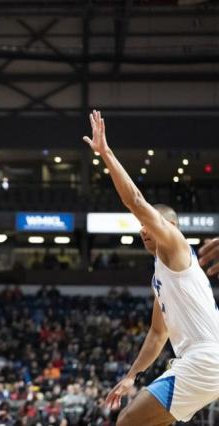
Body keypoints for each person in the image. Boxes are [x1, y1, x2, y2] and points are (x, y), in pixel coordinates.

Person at [83, 110, 219, 425]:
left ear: (170, 226)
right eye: (141, 227)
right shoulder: (161, 274)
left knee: (127, 421)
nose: (144, 230)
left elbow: (136, 201)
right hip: (198, 361)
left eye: (150, 224)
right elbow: (158, 333)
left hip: (204, 358)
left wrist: (106, 154)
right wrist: (132, 375)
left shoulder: (174, 243)